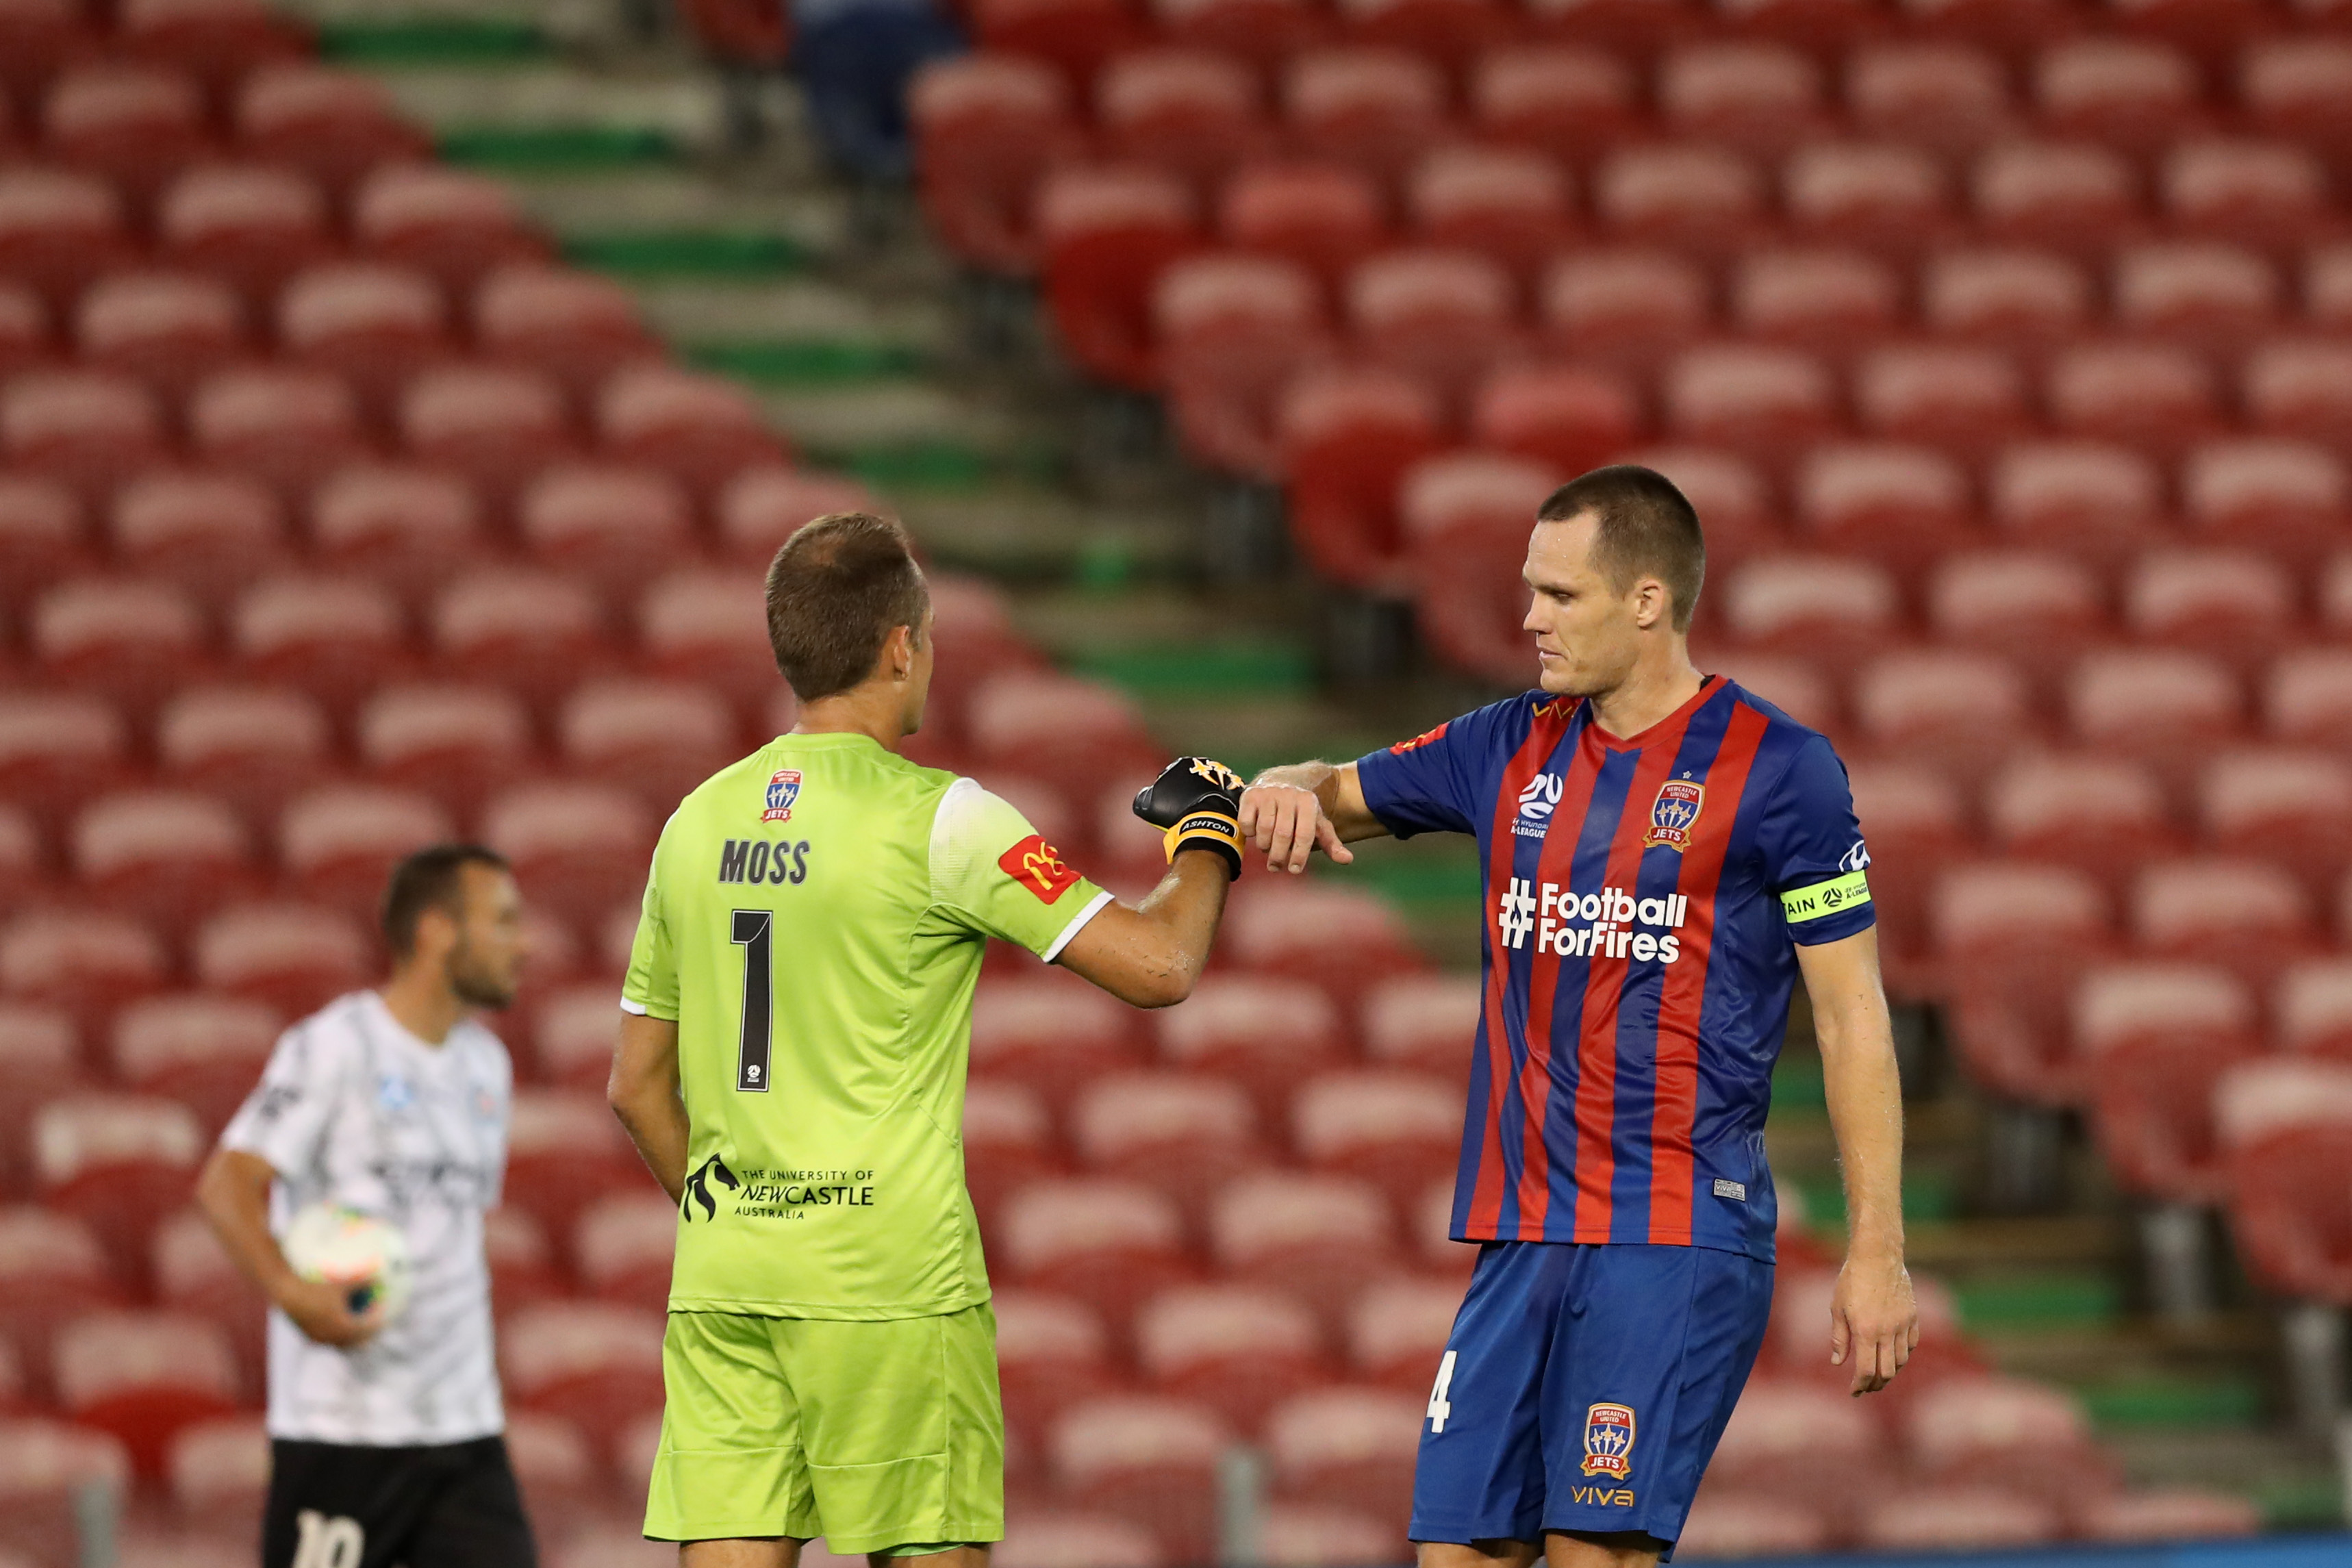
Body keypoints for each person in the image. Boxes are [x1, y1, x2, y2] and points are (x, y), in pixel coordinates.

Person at [1237, 466, 1919, 1568]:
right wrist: (1276, 786)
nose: (1527, 619)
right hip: (1518, 1232)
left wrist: (1875, 1251)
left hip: (1671, 1234)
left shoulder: (1781, 770)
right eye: (1528, 590)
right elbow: (1332, 792)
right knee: (1455, 1555)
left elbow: (1851, 1019)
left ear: (1645, 600)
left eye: (1558, 595)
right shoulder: (1505, 744)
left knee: (1588, 1554)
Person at [605, 510, 1243, 1568]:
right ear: (901, 645)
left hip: (728, 1276)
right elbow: (1159, 967)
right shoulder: (944, 818)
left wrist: (745, 1222)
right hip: (885, 1286)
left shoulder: (695, 821)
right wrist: (1204, 840)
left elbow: (635, 1085)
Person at [196, 844, 535, 1568]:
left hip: (464, 1432)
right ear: (439, 930)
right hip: (343, 1433)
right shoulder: (334, 1048)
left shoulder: (487, 1066)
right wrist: (293, 1291)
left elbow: (450, 1239)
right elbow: (226, 1184)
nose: (523, 942)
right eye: (503, 921)